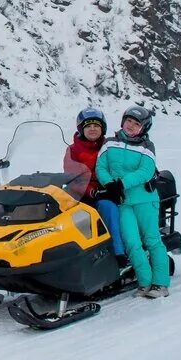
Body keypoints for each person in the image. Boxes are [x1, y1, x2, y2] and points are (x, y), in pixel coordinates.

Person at [95, 105, 171, 298]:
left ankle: (160, 283)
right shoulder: (109, 143)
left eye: (136, 124)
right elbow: (101, 167)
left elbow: (145, 171)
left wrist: (121, 183)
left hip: (145, 200)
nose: (130, 126)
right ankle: (144, 282)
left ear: (143, 128)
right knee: (131, 242)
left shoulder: (147, 147)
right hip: (122, 202)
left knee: (152, 240)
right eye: (128, 121)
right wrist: (110, 185)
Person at [63, 107, 125, 261]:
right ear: (81, 129)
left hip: (107, 191)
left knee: (108, 208)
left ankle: (117, 253)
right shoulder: (73, 150)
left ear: (102, 128)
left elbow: (123, 162)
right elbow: (73, 175)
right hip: (81, 193)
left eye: (96, 126)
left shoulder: (110, 146)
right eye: (88, 126)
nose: (92, 129)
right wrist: (91, 191)